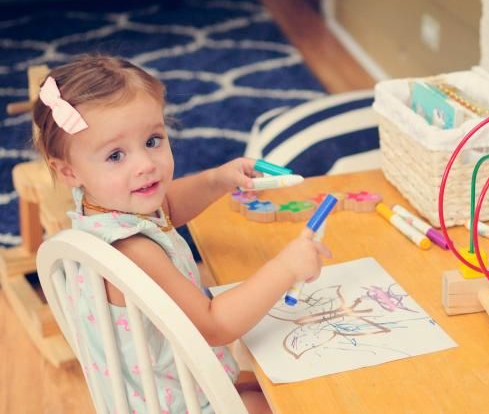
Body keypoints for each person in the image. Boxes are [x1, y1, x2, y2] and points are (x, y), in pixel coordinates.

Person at [33, 54, 331, 413]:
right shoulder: (132, 252)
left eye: (153, 140)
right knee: (298, 402)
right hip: (178, 405)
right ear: (67, 172)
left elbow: (167, 207)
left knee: (273, 385)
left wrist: (219, 178)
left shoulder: (103, 204)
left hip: (165, 385)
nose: (145, 164)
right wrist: (287, 267)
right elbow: (215, 325)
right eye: (115, 156)